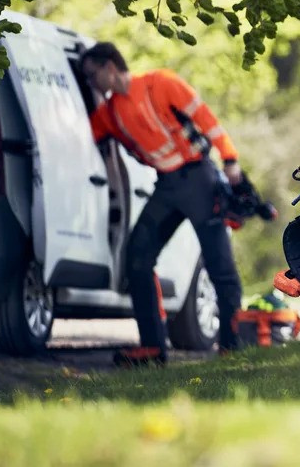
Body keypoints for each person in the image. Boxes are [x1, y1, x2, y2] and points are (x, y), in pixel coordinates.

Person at [80, 42, 245, 367]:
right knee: (138, 257)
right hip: (167, 187)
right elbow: (82, 136)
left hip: (200, 180)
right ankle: (153, 348)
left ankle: (231, 345)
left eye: (92, 74)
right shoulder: (109, 114)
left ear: (110, 67)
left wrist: (230, 159)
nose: (91, 83)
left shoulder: (161, 83)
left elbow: (207, 120)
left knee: (219, 266)